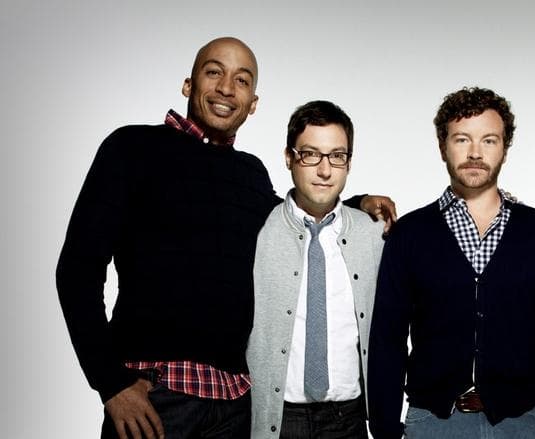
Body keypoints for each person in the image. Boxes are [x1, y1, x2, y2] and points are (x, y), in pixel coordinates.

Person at [56, 37, 395, 439]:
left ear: (253, 103)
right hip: (156, 397)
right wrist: (111, 383)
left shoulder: (249, 174)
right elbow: (77, 271)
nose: (226, 88)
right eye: (214, 72)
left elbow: (289, 216)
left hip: (235, 403)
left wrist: (354, 204)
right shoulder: (132, 148)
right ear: (189, 85)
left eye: (242, 80)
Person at [367, 87, 535, 439]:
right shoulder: (411, 234)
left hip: (524, 424)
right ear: (442, 147)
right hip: (433, 424)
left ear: (505, 149)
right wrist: (386, 430)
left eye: (489, 140)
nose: (475, 153)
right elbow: (388, 339)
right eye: (462, 139)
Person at [246, 100, 384, 438]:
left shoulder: (374, 235)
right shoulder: (257, 228)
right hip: (278, 417)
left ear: (348, 162)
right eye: (310, 155)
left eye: (337, 156)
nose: (325, 170)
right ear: (289, 157)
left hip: (349, 418)